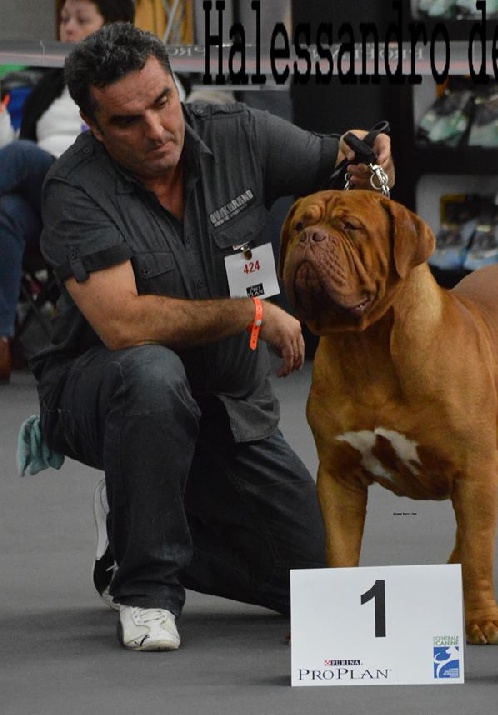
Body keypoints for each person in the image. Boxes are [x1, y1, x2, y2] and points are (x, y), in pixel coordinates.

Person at [29, 22, 394, 652]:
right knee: (151, 372)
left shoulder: (239, 133)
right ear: (92, 126)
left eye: (162, 102)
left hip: (228, 402)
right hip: (103, 392)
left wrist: (369, 158)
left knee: (315, 576)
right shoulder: (73, 189)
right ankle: (146, 589)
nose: (156, 130)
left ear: (176, 84)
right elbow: (123, 324)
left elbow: (338, 156)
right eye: (127, 121)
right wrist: (250, 316)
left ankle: (130, 525)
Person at [0, 0, 136, 383]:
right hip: (44, 207)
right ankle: (2, 340)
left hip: (96, 194)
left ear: (114, 24)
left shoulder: (132, 78)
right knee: (6, 211)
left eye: (81, 20)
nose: (69, 29)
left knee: (20, 157)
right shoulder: (48, 85)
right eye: (64, 19)